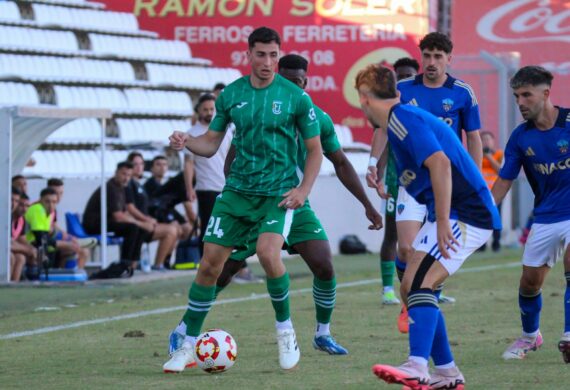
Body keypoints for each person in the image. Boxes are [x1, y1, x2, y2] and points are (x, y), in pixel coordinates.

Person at [163, 27, 323, 373]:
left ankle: (285, 332)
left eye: (273, 55)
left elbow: (314, 150)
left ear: (279, 56)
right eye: (261, 54)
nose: (267, 62)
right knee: (209, 266)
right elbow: (209, 143)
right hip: (236, 193)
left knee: (267, 253)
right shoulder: (232, 95)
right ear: (248, 55)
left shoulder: (295, 97)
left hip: (276, 194)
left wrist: (303, 190)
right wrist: (185, 141)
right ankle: (187, 345)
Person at [215, 53, 383, 355]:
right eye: (290, 81)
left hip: (294, 204)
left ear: (306, 81)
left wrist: (367, 204)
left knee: (324, 264)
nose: (296, 87)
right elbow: (231, 160)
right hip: (255, 203)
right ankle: (186, 332)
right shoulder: (258, 111)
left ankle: (322, 334)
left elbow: (341, 163)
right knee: (225, 270)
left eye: (300, 81)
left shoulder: (317, 118)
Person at [356, 64, 500, 389]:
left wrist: (443, 222)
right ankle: (447, 372)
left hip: (465, 213)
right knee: (410, 287)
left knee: (420, 285)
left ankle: (417, 366)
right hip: (449, 213)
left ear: (365, 98)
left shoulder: (403, 119)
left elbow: (441, 163)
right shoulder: (398, 120)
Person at [369, 33, 483, 332]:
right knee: (405, 249)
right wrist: (373, 165)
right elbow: (383, 127)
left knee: (437, 250)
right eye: (427, 56)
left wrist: (474, 177)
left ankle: (427, 295)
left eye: (438, 56)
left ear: (449, 58)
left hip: (447, 185)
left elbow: (473, 138)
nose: (431, 62)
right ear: (421, 56)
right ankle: (411, 302)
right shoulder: (403, 89)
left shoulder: (462, 93)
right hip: (412, 182)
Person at [491, 66, 570, 363]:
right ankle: (530, 336)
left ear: (546, 93)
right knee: (529, 283)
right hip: (546, 216)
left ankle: (568, 335)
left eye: (527, 95)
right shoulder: (520, 138)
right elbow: (503, 182)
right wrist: (481, 214)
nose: (520, 102)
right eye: (516, 96)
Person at [369, 57, 420, 306]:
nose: (404, 79)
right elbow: (384, 138)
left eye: (408, 74)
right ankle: (387, 288)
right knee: (392, 235)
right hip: (394, 181)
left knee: (423, 239)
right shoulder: (388, 105)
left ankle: (429, 287)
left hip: (423, 182)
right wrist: (376, 171)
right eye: (400, 75)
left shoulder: (420, 102)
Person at [183, 94, 233, 257]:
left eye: (212, 109)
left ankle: (229, 264)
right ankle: (204, 264)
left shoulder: (224, 130)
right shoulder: (191, 134)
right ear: (198, 110)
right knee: (207, 227)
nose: (209, 112)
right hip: (206, 187)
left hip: (226, 186)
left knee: (229, 227)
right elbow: (188, 163)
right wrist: (189, 188)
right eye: (205, 109)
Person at [83, 161, 147, 267]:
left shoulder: (121, 188)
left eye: (129, 175)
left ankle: (133, 264)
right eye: (124, 174)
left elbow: (124, 212)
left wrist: (141, 222)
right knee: (133, 228)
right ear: (116, 172)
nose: (126, 178)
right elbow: (118, 216)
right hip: (95, 224)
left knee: (139, 229)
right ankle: (124, 264)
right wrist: (139, 223)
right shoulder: (110, 188)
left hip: (107, 222)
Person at [126, 152, 179, 270]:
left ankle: (162, 263)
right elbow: (130, 208)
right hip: (137, 224)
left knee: (175, 228)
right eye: (135, 164)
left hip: (144, 222)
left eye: (141, 164)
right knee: (171, 230)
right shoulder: (129, 184)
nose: (139, 167)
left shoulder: (138, 185)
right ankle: (158, 265)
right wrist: (147, 219)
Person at [145, 155, 195, 241]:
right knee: (178, 229)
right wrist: (172, 221)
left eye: (164, 165)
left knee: (187, 228)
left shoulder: (164, 184)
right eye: (158, 164)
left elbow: (169, 206)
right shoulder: (149, 185)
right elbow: (156, 207)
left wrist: (181, 220)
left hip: (163, 216)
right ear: (151, 168)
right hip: (153, 219)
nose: (162, 167)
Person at [46, 178, 92, 269]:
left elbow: (54, 225)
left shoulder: (53, 208)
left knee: (82, 250)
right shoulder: (39, 208)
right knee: (82, 251)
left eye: (61, 193)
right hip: (46, 242)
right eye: (56, 193)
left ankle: (68, 277)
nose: (59, 197)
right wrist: (66, 238)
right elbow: (47, 230)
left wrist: (68, 236)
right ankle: (70, 278)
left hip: (52, 241)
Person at [480, 131, 504, 252]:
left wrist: (489, 156)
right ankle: (481, 245)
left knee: (495, 217)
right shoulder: (476, 155)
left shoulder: (498, 154)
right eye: (483, 139)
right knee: (480, 218)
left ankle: (496, 243)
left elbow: (501, 171)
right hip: (480, 193)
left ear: (493, 141)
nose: (486, 142)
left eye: (488, 139)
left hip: (496, 191)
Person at [9, 188, 28, 281]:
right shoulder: (4, 215)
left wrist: (33, 250)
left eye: (16, 201)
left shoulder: (18, 219)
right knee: (10, 257)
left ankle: (13, 289)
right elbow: (7, 243)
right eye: (10, 199)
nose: (13, 204)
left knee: (21, 258)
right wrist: (28, 249)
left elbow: (22, 239)